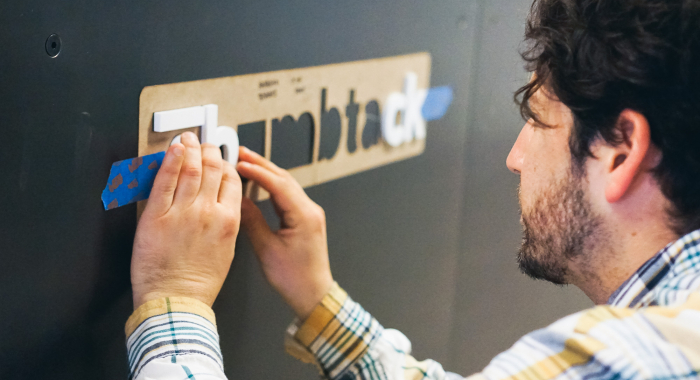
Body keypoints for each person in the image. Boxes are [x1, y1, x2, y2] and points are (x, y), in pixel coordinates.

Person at [125, 0, 700, 378]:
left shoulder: (620, 362)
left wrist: (173, 299)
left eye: (538, 120)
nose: (516, 158)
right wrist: (320, 301)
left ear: (620, 150)